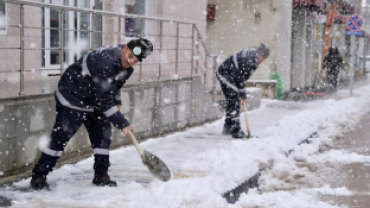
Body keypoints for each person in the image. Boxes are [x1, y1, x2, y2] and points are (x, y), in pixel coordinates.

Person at [30, 38, 153, 190]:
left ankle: (101, 176)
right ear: (125, 48)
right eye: (130, 55)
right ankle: (39, 175)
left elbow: (114, 86)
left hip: (94, 99)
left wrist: (117, 99)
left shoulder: (127, 68)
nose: (131, 60)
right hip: (73, 96)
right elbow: (104, 98)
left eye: (135, 60)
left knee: (103, 137)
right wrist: (122, 123)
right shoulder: (105, 61)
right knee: (60, 137)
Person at [216, 43, 270, 139]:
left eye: (264, 58)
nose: (263, 59)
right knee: (234, 98)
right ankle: (236, 130)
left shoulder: (256, 61)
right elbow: (241, 77)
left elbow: (244, 77)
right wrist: (242, 93)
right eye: (263, 57)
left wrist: (242, 91)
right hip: (225, 73)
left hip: (233, 75)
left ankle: (228, 127)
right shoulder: (248, 59)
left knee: (232, 99)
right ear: (259, 53)